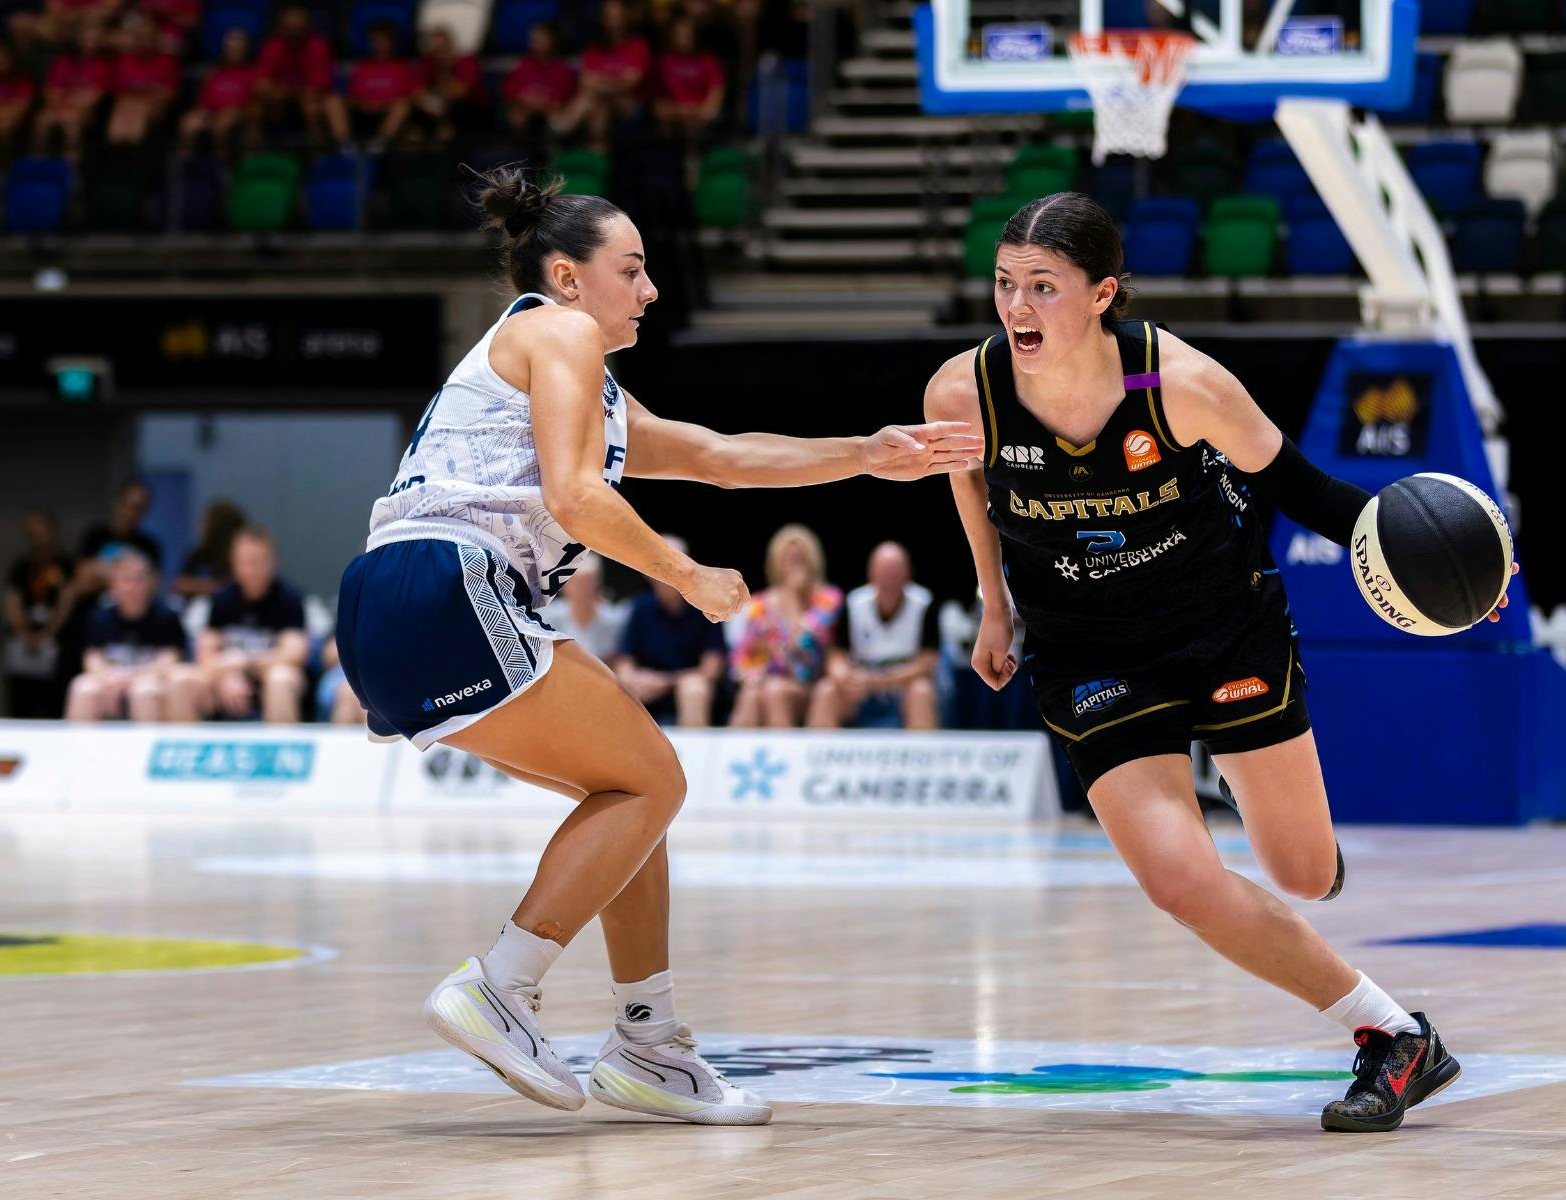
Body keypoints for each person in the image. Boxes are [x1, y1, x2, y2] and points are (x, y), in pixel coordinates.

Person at [334, 165, 978, 1127]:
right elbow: (575, 499)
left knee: (636, 793)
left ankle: (648, 1044)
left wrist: (866, 453)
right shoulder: (560, 332)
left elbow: (720, 457)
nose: (650, 291)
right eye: (631, 270)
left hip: (392, 601)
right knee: (654, 780)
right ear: (566, 276)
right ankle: (502, 985)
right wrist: (690, 576)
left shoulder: (562, 367)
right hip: (448, 583)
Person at [923, 192, 1514, 1134]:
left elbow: (1305, 489)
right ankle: (1393, 1036)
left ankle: (1261, 801)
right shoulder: (965, 391)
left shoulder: (1183, 384)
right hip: (1087, 649)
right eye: (1004, 284)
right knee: (1180, 882)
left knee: (1304, 873)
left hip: (1220, 627)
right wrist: (994, 603)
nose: (1017, 308)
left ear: (1104, 293)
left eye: (1043, 286)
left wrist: (1443, 568)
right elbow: (969, 485)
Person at [807, 540, 941, 730]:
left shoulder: (925, 604)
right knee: (826, 691)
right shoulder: (853, 603)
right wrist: (844, 676)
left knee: (922, 692)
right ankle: (816, 755)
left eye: (895, 573)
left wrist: (880, 681)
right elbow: (836, 657)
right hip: (860, 689)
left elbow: (928, 663)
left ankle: (924, 756)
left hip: (903, 687)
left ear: (907, 575)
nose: (889, 580)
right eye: (884, 573)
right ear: (871, 574)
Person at [64, 549, 200, 721]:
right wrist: (107, 680)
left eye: (139, 579)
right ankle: (80, 746)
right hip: (110, 682)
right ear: (113, 585)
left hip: (150, 682)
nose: (133, 586)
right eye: (126, 580)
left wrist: (129, 679)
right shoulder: (100, 618)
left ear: (151, 583)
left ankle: (148, 746)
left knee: (144, 691)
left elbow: (169, 662)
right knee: (83, 687)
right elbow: (92, 659)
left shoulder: (166, 617)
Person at [726, 523, 839, 729]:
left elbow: (798, 645)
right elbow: (744, 656)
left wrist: (794, 597)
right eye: (788, 560)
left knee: (774, 691)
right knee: (751, 694)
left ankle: (788, 756)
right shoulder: (760, 603)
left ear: (812, 562)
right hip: (771, 682)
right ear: (776, 563)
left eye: (800, 560)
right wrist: (749, 674)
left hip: (812, 684)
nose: (794, 567)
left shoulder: (827, 599)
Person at [195, 526, 309, 723]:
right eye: (246, 561)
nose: (252, 569)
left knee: (280, 679)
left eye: (259, 561)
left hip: (269, 677)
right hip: (228, 677)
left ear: (272, 562)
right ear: (234, 563)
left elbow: (294, 655)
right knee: (183, 682)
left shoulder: (288, 598)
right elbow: (205, 656)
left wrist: (246, 664)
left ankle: (281, 748)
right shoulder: (222, 598)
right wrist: (224, 676)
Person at [612, 534, 724, 726]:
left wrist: (665, 681)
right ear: (648, 572)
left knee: (693, 688)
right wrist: (632, 678)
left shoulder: (705, 608)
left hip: (688, 688)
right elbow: (624, 661)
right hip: (647, 690)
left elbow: (712, 669)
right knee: (618, 686)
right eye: (663, 566)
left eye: (676, 565)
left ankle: (694, 754)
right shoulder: (640, 608)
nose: (669, 573)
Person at [2, 509, 79, 718]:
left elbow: (67, 601)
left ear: (52, 532)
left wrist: (48, 633)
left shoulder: (64, 565)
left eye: (41, 533)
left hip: (56, 642)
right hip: (23, 641)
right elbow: (13, 602)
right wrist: (26, 634)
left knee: (55, 700)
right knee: (20, 701)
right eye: (31, 534)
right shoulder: (21, 567)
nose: (37, 540)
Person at [552, 0, 649, 151]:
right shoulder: (595, 47)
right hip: (601, 99)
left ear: (626, 18)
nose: (613, 22)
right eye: (609, 17)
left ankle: (560, 128)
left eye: (617, 17)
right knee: (599, 107)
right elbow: (586, 81)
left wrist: (602, 83)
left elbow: (631, 83)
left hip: (630, 103)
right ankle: (598, 157)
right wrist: (615, 81)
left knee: (591, 97)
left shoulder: (637, 45)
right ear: (602, 19)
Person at [254, 2, 345, 144]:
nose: (294, 32)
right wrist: (279, 93)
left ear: (307, 27)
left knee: (314, 106)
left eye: (298, 28)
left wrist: (284, 91)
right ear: (282, 28)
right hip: (279, 100)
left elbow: (318, 89)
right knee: (255, 106)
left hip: (309, 100)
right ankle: (259, 151)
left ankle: (326, 150)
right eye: (290, 28)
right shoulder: (272, 47)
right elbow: (260, 85)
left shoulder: (319, 46)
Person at [30, 20, 112, 159]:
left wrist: (70, 104)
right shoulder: (65, 61)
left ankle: (72, 166)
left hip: (86, 111)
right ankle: (37, 160)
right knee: (43, 120)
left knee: (70, 120)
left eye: (93, 39)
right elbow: (52, 89)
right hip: (60, 106)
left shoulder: (103, 64)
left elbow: (94, 95)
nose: (88, 44)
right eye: (85, 39)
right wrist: (60, 105)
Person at [178, 27, 260, 156]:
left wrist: (240, 112)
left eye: (237, 49)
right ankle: (188, 163)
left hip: (237, 115)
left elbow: (255, 104)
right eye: (230, 49)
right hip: (211, 112)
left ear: (245, 50)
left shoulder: (252, 74)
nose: (233, 52)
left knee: (223, 123)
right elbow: (203, 98)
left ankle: (221, 164)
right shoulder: (214, 72)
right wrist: (202, 110)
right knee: (188, 123)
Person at [104, 14, 179, 147]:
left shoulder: (167, 62)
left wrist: (142, 95)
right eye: (141, 38)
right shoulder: (124, 60)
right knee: (126, 109)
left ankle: (133, 153)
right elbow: (116, 90)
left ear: (156, 39)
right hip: (126, 104)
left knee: (137, 110)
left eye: (149, 38)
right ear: (135, 40)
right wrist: (143, 91)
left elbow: (169, 93)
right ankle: (117, 152)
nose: (145, 42)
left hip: (154, 106)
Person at [498, 21, 575, 147]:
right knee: (517, 116)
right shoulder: (523, 65)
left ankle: (553, 158)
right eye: (534, 39)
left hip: (551, 114)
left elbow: (563, 102)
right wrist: (527, 101)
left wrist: (541, 105)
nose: (537, 43)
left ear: (553, 40)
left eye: (542, 39)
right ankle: (518, 156)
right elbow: (510, 93)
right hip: (526, 110)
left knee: (557, 121)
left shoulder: (562, 69)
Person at [541, 552, 628, 661]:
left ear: (597, 583)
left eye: (588, 582)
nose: (582, 590)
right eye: (576, 583)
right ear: (564, 585)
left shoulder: (615, 620)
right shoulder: (547, 618)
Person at [650, 15, 722, 145]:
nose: (683, 37)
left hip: (699, 119)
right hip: (672, 119)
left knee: (693, 126)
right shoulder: (664, 61)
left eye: (687, 33)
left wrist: (695, 111)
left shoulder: (707, 60)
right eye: (679, 33)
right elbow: (658, 106)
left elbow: (714, 103)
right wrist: (680, 111)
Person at [344, 21, 417, 146]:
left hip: (388, 112)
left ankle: (379, 144)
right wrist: (364, 104)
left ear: (392, 43)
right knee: (332, 102)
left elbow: (409, 96)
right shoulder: (362, 67)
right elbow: (352, 96)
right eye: (375, 41)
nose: (379, 45)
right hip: (362, 112)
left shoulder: (402, 68)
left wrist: (382, 104)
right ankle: (344, 145)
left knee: (402, 106)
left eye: (383, 41)